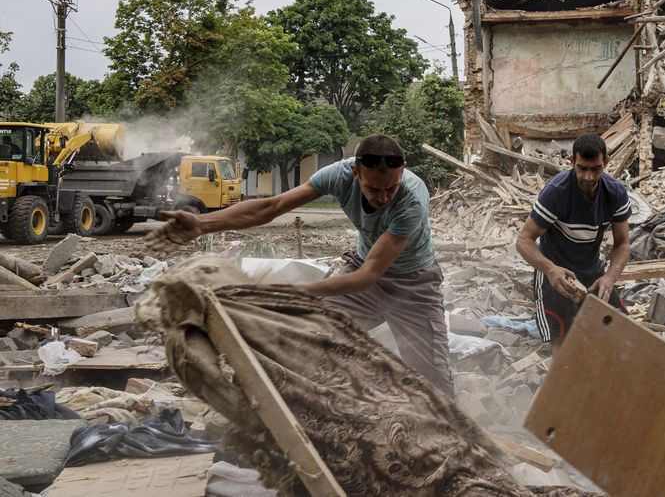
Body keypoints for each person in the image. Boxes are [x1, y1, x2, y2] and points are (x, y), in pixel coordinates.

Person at [146, 134, 453, 395]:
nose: (384, 197)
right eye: (374, 189)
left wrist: (294, 291)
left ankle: (457, 447)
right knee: (311, 342)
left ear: (403, 174)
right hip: (362, 269)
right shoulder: (337, 174)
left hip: (413, 285)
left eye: (392, 188)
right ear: (355, 172)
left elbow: (367, 276)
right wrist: (201, 223)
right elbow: (271, 207)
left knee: (433, 380)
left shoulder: (412, 199)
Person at [516, 133, 632, 351]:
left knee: (622, 332)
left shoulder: (614, 193)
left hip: (592, 270)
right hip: (554, 273)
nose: (588, 177)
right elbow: (524, 241)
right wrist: (550, 270)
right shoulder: (556, 193)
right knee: (564, 344)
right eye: (582, 168)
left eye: (595, 169)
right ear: (572, 162)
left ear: (605, 163)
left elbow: (623, 243)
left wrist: (609, 277)